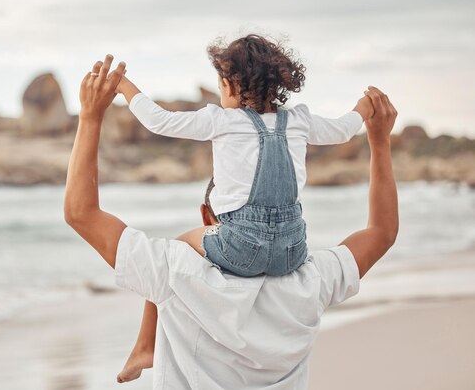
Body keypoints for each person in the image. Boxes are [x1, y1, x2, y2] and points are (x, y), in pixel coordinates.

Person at [64, 54, 399, 389]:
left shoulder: (175, 275)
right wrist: (379, 140)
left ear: (208, 217)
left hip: (219, 255)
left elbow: (81, 213)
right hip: (291, 256)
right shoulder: (311, 283)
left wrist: (91, 116)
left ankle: (144, 345)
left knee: (182, 242)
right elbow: (381, 232)